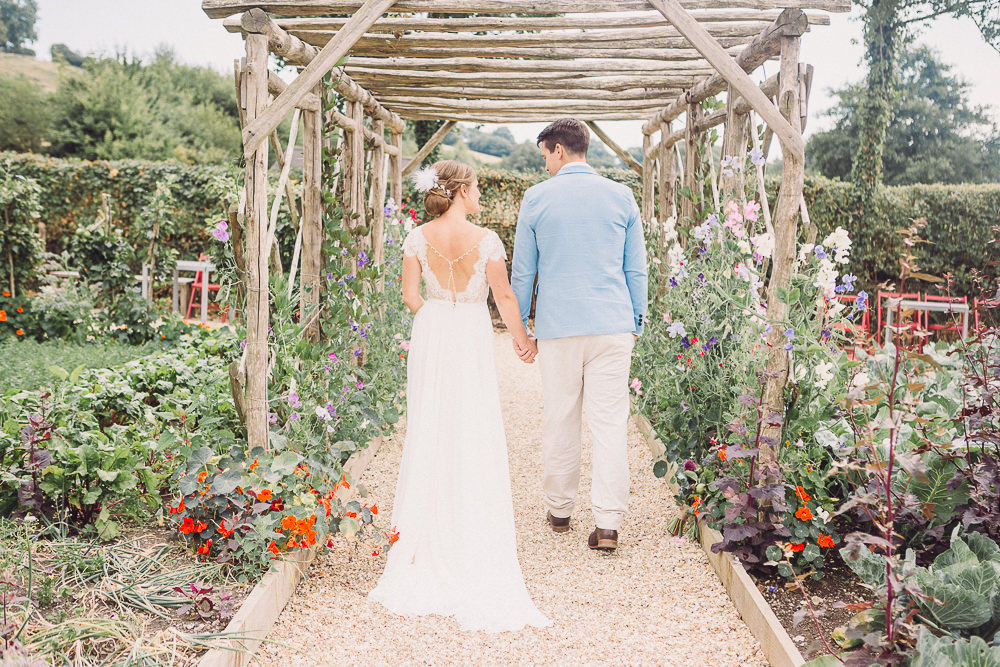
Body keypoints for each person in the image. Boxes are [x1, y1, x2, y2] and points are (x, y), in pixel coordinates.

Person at [368, 160, 551, 633]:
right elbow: (505, 299)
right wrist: (523, 341)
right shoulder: (487, 239)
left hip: (432, 332)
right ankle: (469, 527)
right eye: (474, 188)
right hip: (470, 333)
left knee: (430, 423)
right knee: (472, 425)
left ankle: (425, 534)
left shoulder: (415, 238)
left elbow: (410, 297)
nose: (479, 196)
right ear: (460, 192)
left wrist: (436, 318)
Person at [510, 119, 648, 552]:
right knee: (610, 423)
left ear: (557, 150)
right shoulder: (621, 196)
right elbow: (636, 269)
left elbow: (524, 271)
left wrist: (522, 330)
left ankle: (560, 510)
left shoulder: (536, 198)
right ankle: (608, 524)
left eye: (545, 156)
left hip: (559, 327)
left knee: (561, 416)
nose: (545, 164)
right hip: (613, 324)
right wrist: (636, 322)